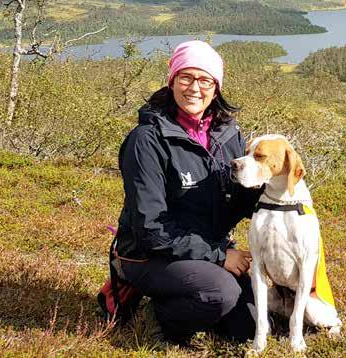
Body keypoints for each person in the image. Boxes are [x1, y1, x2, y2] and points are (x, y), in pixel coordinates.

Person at [110, 40, 262, 345]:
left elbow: (241, 199)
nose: (195, 88)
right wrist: (220, 257)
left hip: (205, 248)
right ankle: (158, 318)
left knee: (249, 324)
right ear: (172, 81)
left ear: (216, 87)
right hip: (148, 255)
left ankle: (196, 303)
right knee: (220, 293)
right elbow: (151, 229)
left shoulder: (227, 133)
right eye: (186, 77)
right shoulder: (147, 140)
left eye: (205, 80)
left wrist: (285, 203)